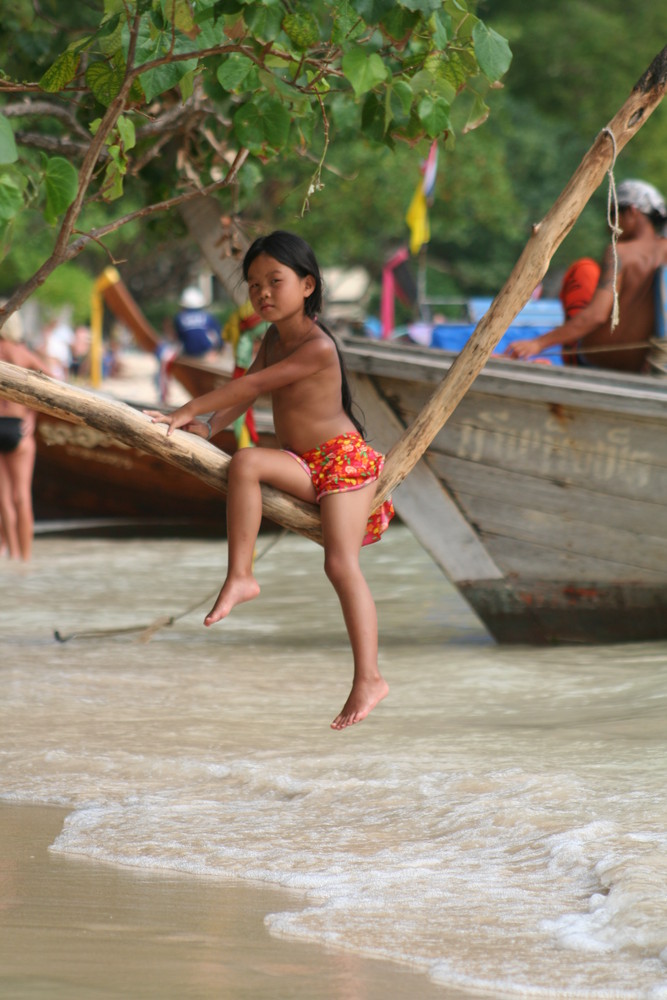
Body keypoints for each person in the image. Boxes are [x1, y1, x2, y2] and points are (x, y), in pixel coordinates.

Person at [146, 231, 395, 731]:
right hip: (301, 461)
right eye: (255, 284)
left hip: (345, 464)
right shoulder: (271, 339)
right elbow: (244, 397)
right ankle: (242, 575)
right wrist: (210, 426)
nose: (262, 293)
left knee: (340, 563)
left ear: (307, 285)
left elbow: (255, 384)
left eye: (274, 281)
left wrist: (186, 408)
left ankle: (369, 677)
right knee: (246, 463)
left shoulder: (317, 346)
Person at [504, 179, 667, 371]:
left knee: (582, 270)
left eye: (613, 215)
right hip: (642, 368)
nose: (609, 226)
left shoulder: (619, 252)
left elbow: (596, 315)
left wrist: (537, 344)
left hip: (597, 362)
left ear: (632, 211)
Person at [0, 309, 52, 561]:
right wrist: (32, 415)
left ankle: (10, 558)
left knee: (4, 500)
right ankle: (25, 560)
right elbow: (54, 383)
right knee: (22, 498)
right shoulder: (21, 353)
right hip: (18, 427)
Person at [173, 286, 222, 358]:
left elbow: (179, 337)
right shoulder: (208, 316)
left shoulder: (179, 318)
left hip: (188, 352)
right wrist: (219, 350)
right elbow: (219, 334)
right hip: (207, 352)